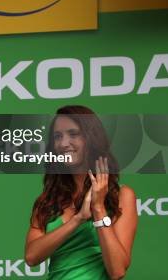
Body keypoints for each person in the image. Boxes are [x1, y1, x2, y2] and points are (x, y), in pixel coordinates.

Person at [24, 106, 138, 280]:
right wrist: (78, 219)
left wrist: (98, 208)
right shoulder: (47, 200)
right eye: (57, 137)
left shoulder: (121, 195)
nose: (63, 143)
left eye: (73, 134)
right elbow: (31, 257)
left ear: (90, 138)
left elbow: (117, 271)